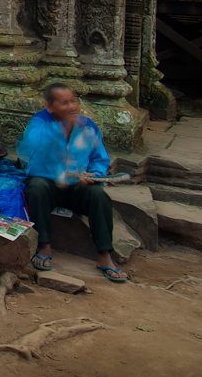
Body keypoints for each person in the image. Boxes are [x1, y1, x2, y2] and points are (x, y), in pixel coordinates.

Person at [18, 83, 128, 283]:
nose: (71, 107)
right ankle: (44, 246)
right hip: (48, 183)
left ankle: (104, 255)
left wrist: (94, 175)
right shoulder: (39, 123)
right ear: (50, 106)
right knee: (36, 188)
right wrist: (62, 132)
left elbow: (98, 158)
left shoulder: (88, 126)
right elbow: (31, 147)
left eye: (73, 101)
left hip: (78, 185)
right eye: (64, 103)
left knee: (99, 196)